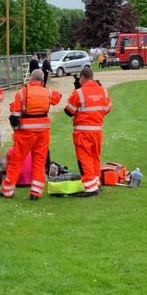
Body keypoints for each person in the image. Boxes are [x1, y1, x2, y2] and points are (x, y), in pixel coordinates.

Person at [0, 69, 61, 200]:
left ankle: (8, 190)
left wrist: (16, 129)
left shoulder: (23, 92)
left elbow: (14, 115)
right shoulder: (48, 92)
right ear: (42, 81)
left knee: (17, 160)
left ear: (30, 79)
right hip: (43, 133)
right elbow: (58, 97)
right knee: (39, 161)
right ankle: (35, 192)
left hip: (25, 133)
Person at [64, 67, 112, 197]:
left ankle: (90, 187)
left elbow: (68, 111)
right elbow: (107, 109)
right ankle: (96, 182)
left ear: (82, 78)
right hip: (97, 131)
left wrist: (75, 90)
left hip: (83, 132)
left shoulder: (79, 93)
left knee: (84, 158)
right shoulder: (103, 91)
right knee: (95, 157)